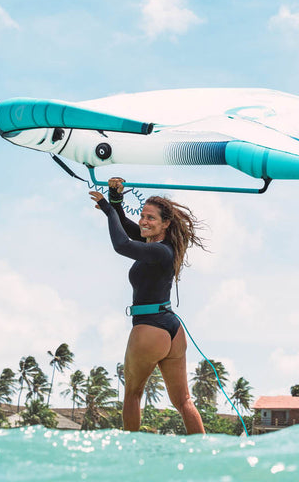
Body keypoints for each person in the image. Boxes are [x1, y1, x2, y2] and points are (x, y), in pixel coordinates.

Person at [89, 178, 206, 434]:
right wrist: (116, 200)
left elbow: (122, 244)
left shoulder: (160, 252)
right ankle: (204, 451)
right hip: (172, 330)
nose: (143, 221)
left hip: (150, 328)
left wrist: (108, 209)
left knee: (133, 394)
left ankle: (131, 452)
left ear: (166, 224)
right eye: (142, 215)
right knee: (183, 401)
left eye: (151, 218)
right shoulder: (160, 247)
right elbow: (128, 227)